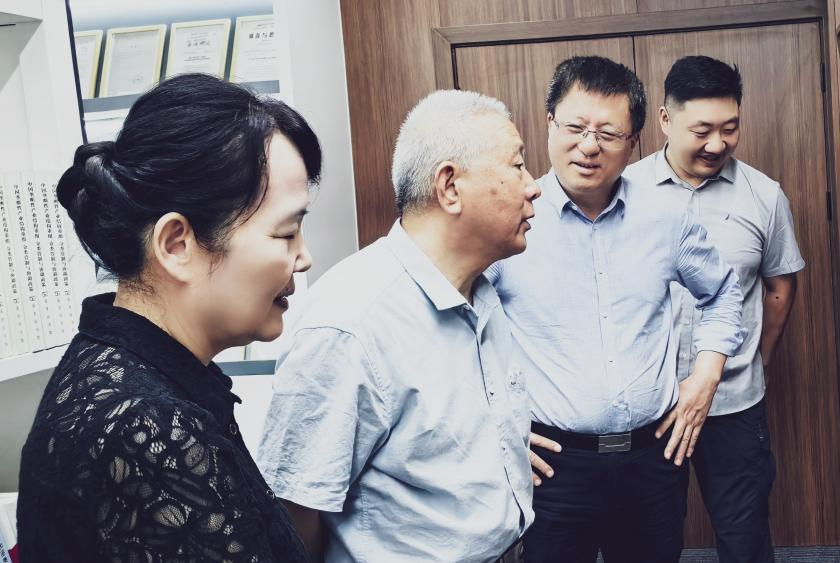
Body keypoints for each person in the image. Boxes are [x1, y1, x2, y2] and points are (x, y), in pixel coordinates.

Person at [17, 73, 322, 562]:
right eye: (285, 234)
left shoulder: (119, 369)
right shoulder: (149, 430)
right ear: (177, 244)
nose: (303, 257)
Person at [253, 90, 541, 563]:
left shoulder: (482, 290)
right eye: (517, 166)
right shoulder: (350, 323)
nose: (533, 186)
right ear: (449, 186)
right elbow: (295, 511)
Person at [486, 55, 746, 563]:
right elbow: (457, 332)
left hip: (653, 461)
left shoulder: (667, 216)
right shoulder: (508, 222)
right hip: (553, 469)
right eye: (575, 127)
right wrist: (493, 425)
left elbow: (722, 293)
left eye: (608, 133)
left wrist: (706, 376)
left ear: (634, 142)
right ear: (549, 124)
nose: (589, 146)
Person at [627, 55, 805, 563]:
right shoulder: (624, 191)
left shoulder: (764, 196)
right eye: (702, 130)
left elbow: (779, 285)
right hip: (648, 406)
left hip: (733, 404)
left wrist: (757, 359)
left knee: (745, 536)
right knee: (647, 542)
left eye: (730, 128)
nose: (717, 144)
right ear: (666, 119)